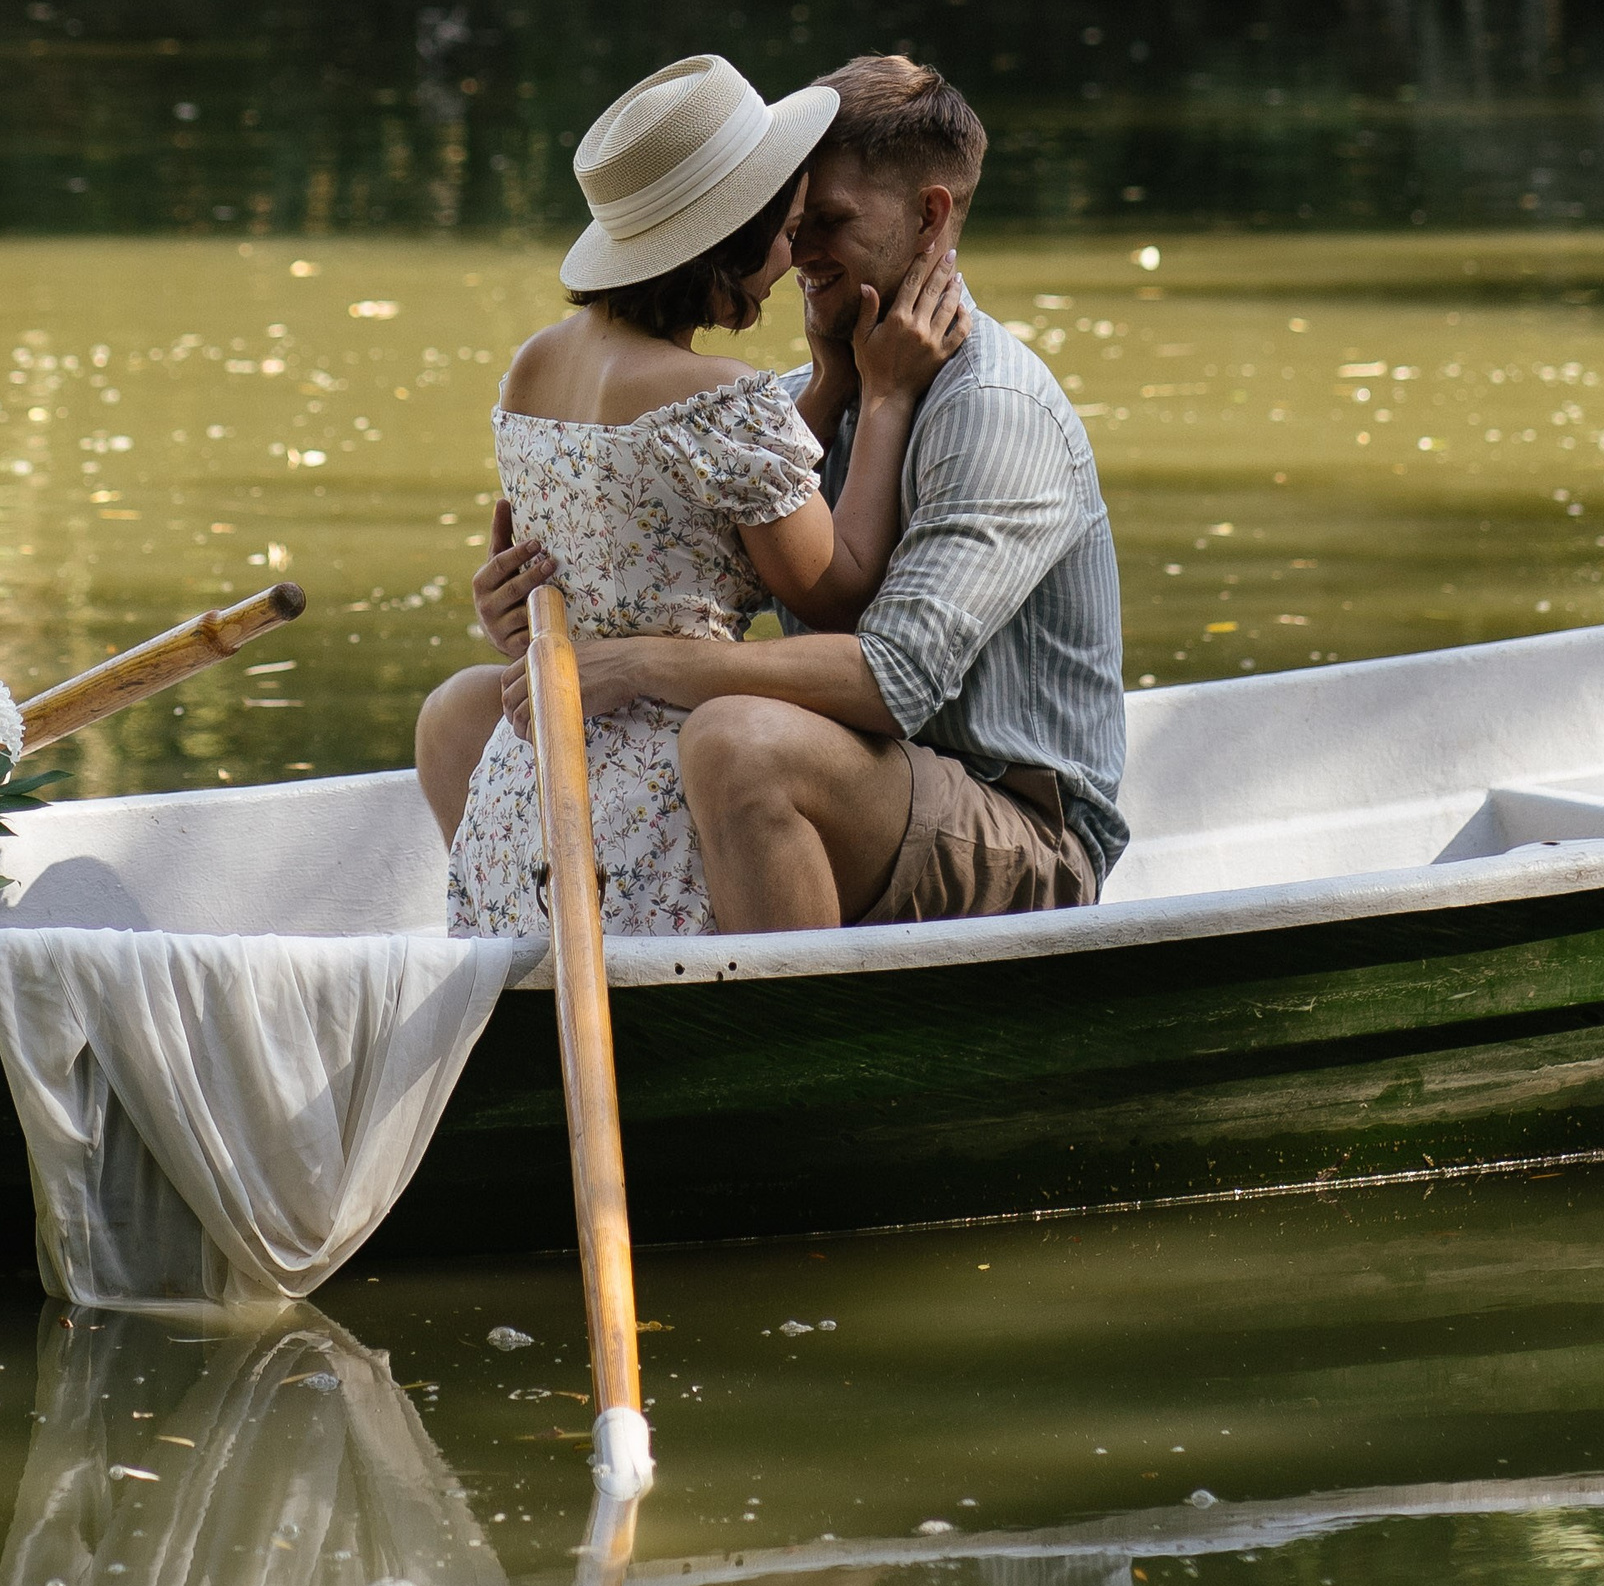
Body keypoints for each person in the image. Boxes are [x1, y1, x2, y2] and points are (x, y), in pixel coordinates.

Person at [463, 51, 1127, 931]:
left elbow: (896, 679)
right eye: (789, 219)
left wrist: (641, 665)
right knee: (464, 714)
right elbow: (660, 557)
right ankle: (541, 981)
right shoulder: (771, 397)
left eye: (830, 222)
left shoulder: (992, 410)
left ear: (930, 217)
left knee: (739, 744)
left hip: (1010, 822)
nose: (796, 251)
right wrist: (538, 613)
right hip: (860, 771)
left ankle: (793, 1049)